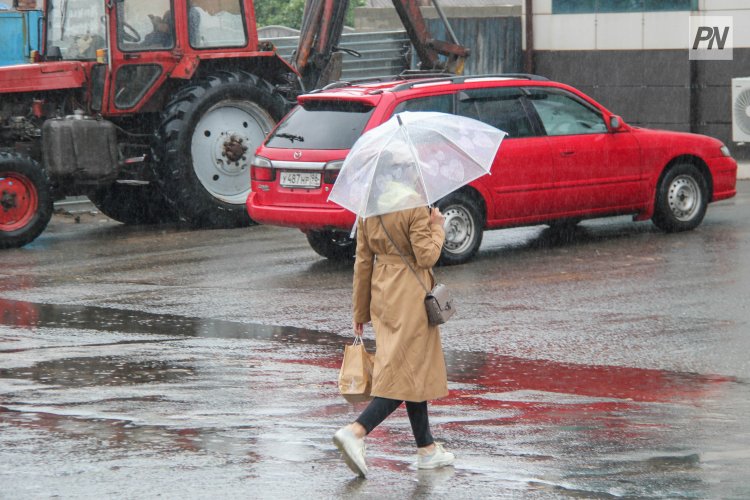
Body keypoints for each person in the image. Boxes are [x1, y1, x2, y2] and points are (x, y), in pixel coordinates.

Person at [333, 198, 454, 477]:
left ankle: (427, 449)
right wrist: (437, 227)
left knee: (410, 367)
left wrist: (360, 311)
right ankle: (357, 430)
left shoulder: (368, 209)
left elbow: (363, 261)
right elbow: (426, 256)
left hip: (383, 293)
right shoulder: (414, 206)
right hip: (409, 295)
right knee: (404, 371)